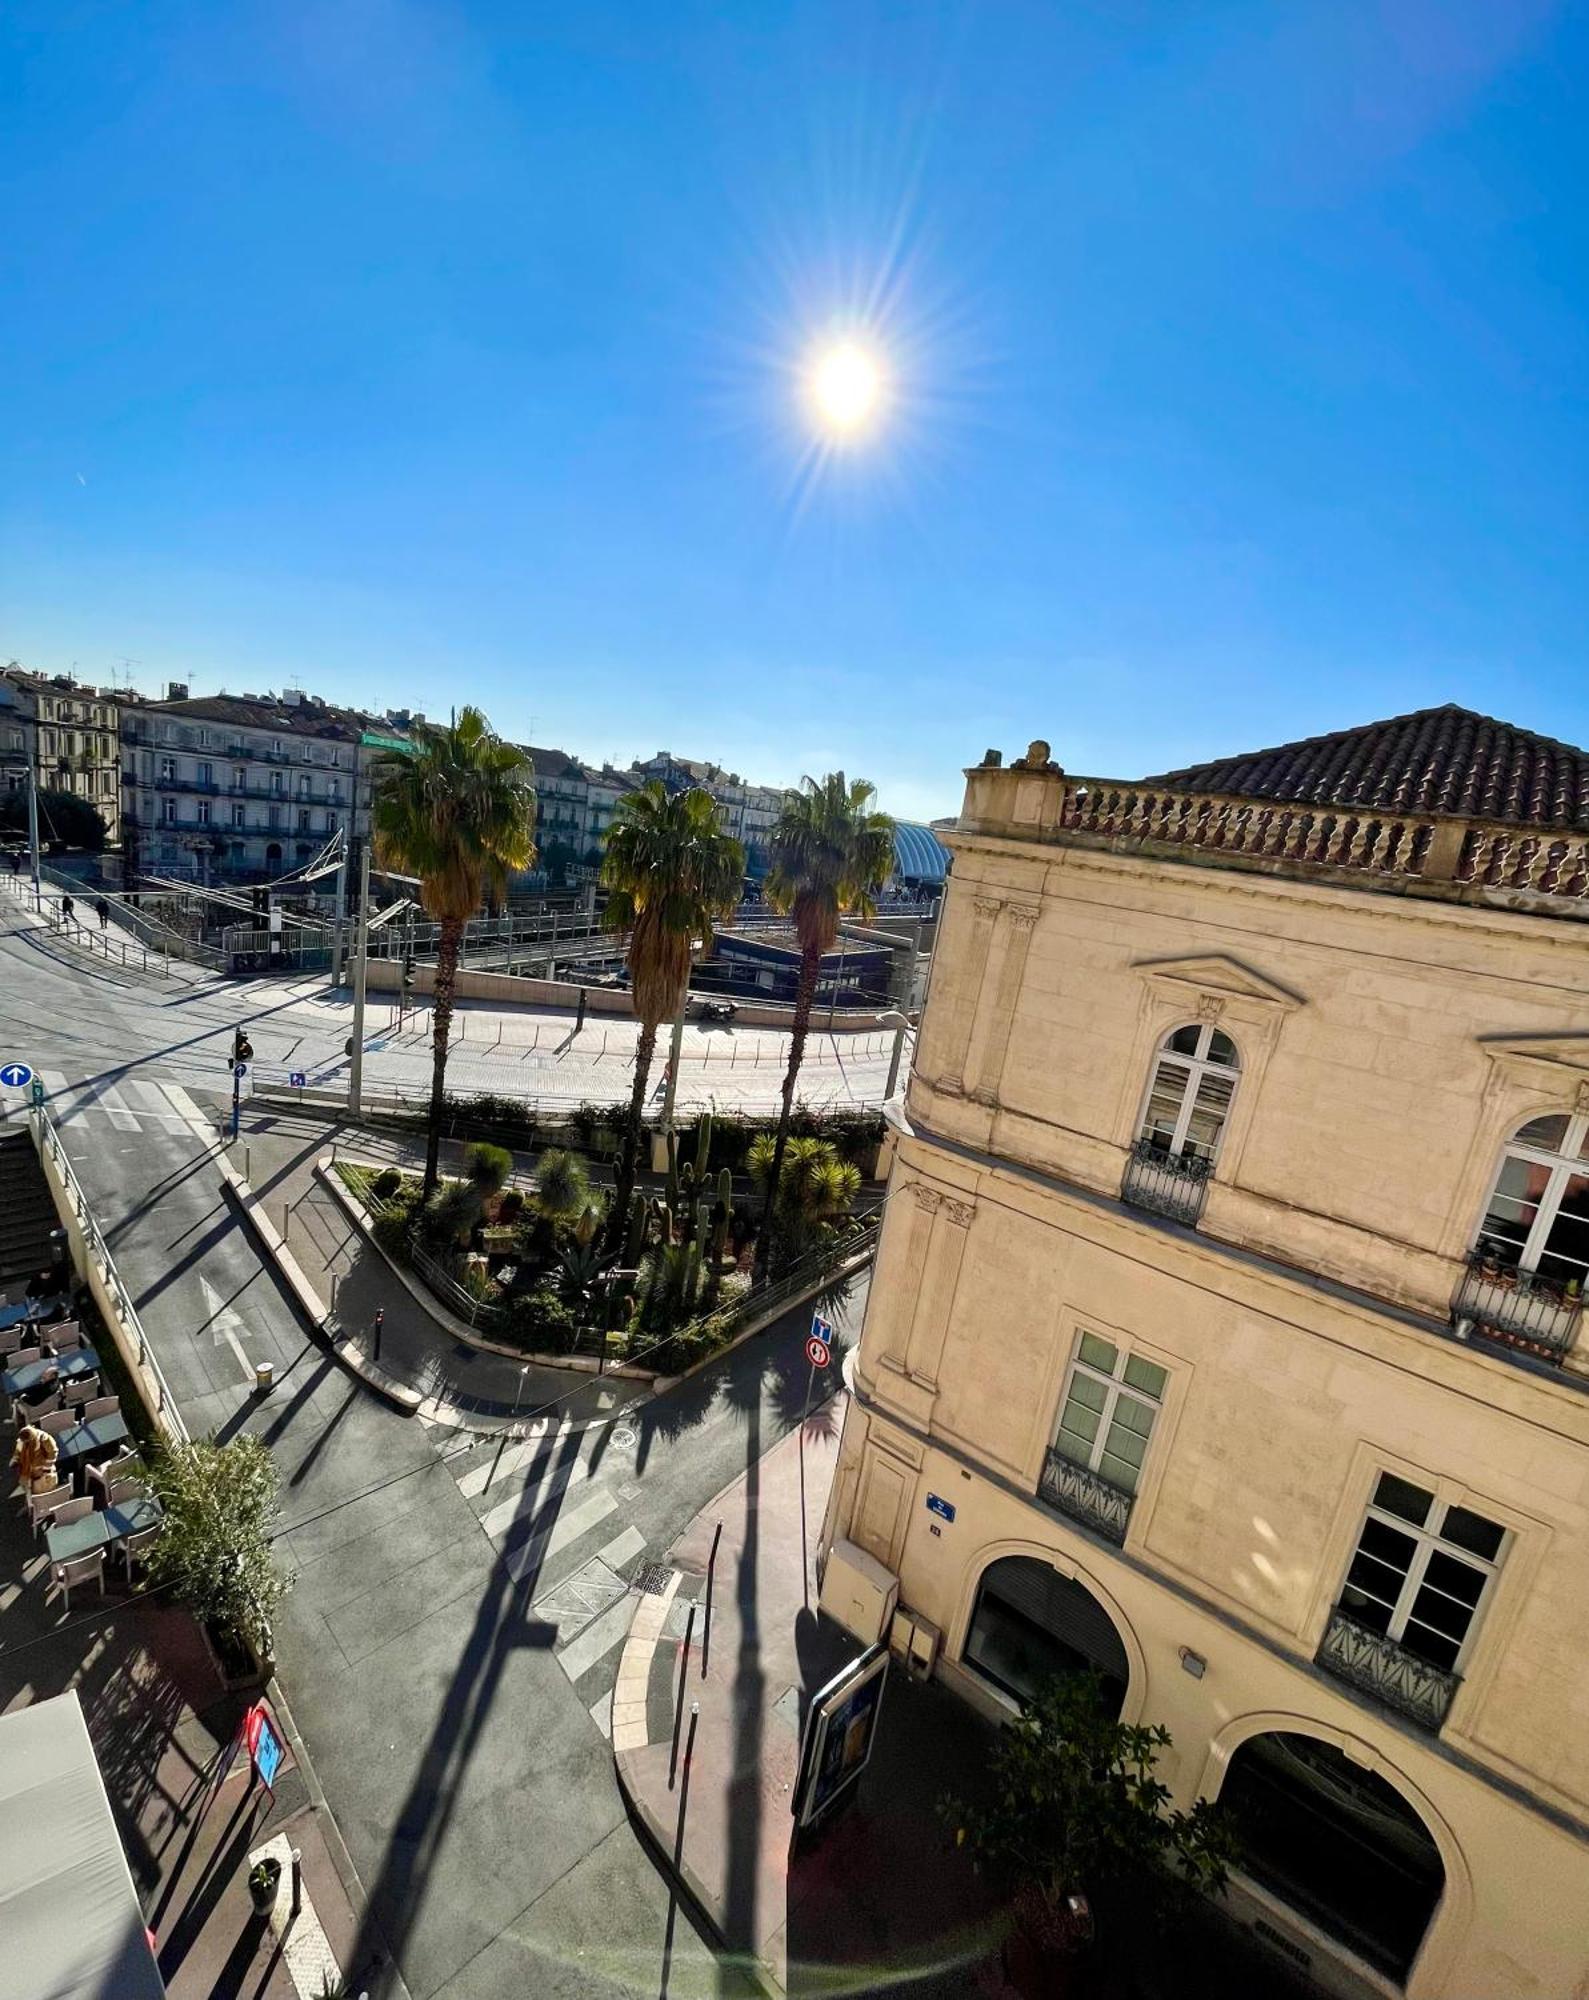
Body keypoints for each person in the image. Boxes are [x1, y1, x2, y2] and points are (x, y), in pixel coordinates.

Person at [11, 1423, 59, 1495]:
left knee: (47, 1493)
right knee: (32, 1494)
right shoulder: (22, 1441)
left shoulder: (43, 1438)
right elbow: (18, 1451)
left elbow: (53, 1453)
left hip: (43, 1474)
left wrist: (46, 1469)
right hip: (28, 1473)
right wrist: (15, 1460)